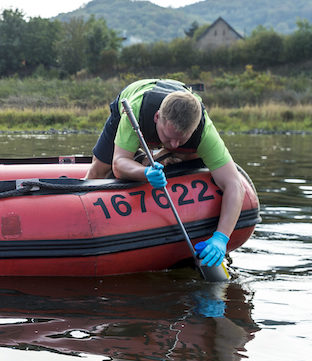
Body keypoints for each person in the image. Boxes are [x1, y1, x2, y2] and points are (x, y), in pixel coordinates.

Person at [85, 78, 245, 269]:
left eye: (181, 139)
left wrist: (221, 238)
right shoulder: (135, 110)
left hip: (176, 117)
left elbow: (235, 185)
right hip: (131, 101)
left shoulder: (203, 131)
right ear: (157, 117)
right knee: (100, 167)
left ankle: (164, 155)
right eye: (169, 137)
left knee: (190, 154)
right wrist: (145, 172)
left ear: (193, 129)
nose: (175, 144)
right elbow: (118, 165)